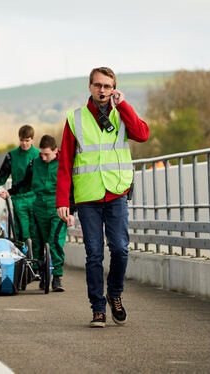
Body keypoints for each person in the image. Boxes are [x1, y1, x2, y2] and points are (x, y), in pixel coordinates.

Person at [56, 67, 150, 327]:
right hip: (88, 196)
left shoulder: (122, 114)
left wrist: (125, 106)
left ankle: (115, 294)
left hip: (117, 191)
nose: (102, 90)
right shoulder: (75, 118)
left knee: (120, 249)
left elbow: (143, 134)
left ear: (114, 89)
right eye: (98, 85)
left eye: (107, 86)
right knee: (94, 254)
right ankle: (98, 308)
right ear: (90, 87)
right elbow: (65, 162)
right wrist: (63, 201)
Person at [0, 135, 74, 292]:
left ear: (55, 151)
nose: (43, 157)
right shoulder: (34, 164)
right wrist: (10, 192)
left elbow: (72, 188)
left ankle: (57, 277)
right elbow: (25, 183)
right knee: (39, 243)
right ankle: (42, 274)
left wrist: (72, 211)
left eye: (47, 154)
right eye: (42, 154)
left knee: (55, 242)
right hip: (39, 206)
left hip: (58, 208)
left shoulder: (64, 163)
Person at [0, 124, 39, 242]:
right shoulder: (12, 156)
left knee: (37, 231)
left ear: (32, 139)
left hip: (35, 197)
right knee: (22, 231)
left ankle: (38, 259)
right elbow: (1, 177)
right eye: (21, 140)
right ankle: (23, 256)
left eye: (27, 141)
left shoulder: (38, 155)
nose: (24, 144)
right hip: (18, 198)